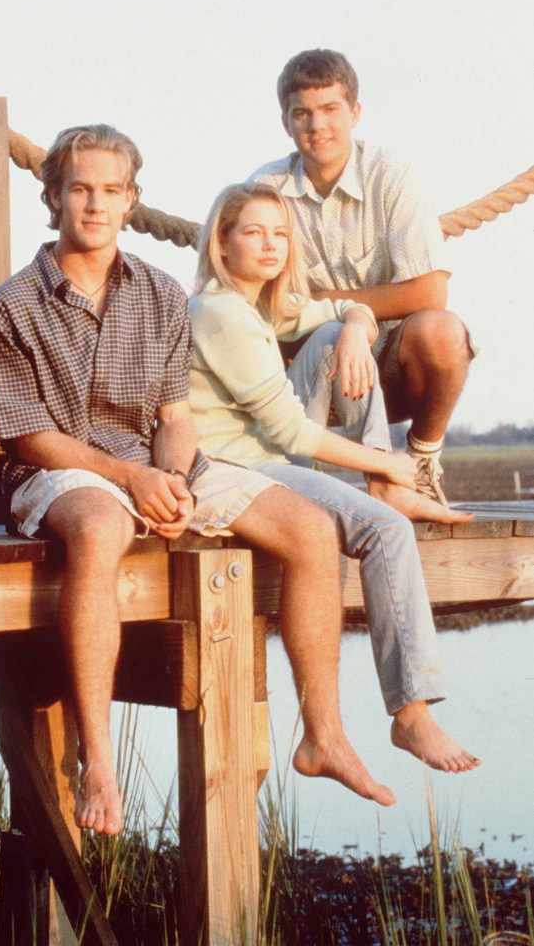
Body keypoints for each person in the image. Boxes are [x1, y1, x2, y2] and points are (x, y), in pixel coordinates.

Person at [0, 124, 417, 840]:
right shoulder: (14, 303)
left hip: (150, 459)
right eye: (81, 189)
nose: (95, 204)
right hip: (56, 470)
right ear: (53, 196)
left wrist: (174, 474)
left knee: (311, 529)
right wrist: (129, 477)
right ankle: (97, 758)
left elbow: (173, 415)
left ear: (132, 201)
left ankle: (323, 735)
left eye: (111, 191)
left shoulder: (157, 292)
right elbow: (30, 436)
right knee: (102, 526)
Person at [188, 180, 479, 792]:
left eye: (280, 233)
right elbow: (288, 428)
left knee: (328, 338)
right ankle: (411, 713)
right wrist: (396, 464)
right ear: (221, 241)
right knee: (385, 527)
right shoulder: (219, 312)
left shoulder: (265, 307)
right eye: (252, 232)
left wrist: (354, 326)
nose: (270, 245)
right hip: (238, 468)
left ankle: (381, 478)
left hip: (268, 456)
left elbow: (341, 312)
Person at [249, 48, 475, 505]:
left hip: (393, 368)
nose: (318, 126)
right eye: (303, 114)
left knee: (443, 332)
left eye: (331, 109)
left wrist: (344, 309)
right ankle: (286, 479)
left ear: (354, 112)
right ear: (286, 122)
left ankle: (420, 462)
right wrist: (338, 321)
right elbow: (251, 298)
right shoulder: (266, 189)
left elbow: (432, 291)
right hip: (314, 368)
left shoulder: (390, 175)